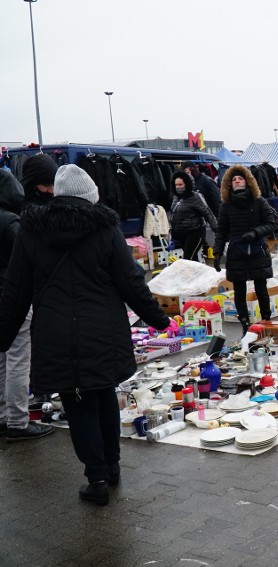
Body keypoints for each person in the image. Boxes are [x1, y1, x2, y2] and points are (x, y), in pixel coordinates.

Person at [0, 165, 169, 505]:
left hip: (56, 334)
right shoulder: (104, 228)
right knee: (104, 394)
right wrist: (159, 319)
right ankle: (111, 465)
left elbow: (15, 289)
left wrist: (3, 336)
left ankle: (97, 479)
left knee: (78, 403)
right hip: (102, 331)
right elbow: (131, 281)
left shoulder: (32, 230)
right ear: (91, 196)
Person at [0, 170, 54, 442]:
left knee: (1, 359)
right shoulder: (11, 223)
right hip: (11, 299)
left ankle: (2, 416)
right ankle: (18, 422)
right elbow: (25, 264)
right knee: (18, 360)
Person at [213, 165, 278, 334]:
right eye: (234, 179)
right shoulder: (225, 206)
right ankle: (245, 326)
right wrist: (217, 252)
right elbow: (221, 230)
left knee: (261, 289)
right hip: (236, 253)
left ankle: (266, 321)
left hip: (257, 250)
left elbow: (272, 224)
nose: (237, 181)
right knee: (239, 292)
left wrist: (255, 233)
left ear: (248, 182)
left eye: (240, 178)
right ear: (229, 184)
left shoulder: (259, 201)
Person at [169, 171, 218, 262]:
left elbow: (207, 213)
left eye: (180, 184)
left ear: (187, 184)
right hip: (182, 233)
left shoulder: (195, 197)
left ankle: (192, 275)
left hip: (195, 232)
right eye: (176, 185)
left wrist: (217, 230)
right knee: (192, 260)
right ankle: (199, 275)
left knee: (188, 259)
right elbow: (174, 215)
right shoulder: (177, 198)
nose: (178, 187)